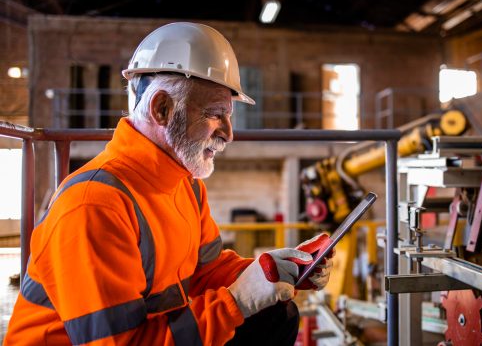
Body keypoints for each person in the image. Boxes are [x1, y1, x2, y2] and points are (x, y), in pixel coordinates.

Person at [4, 22, 333, 346]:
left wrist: (273, 270)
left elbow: (206, 272)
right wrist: (236, 302)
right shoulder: (94, 205)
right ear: (162, 108)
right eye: (216, 113)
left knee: (277, 313)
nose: (228, 133)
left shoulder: (185, 185)